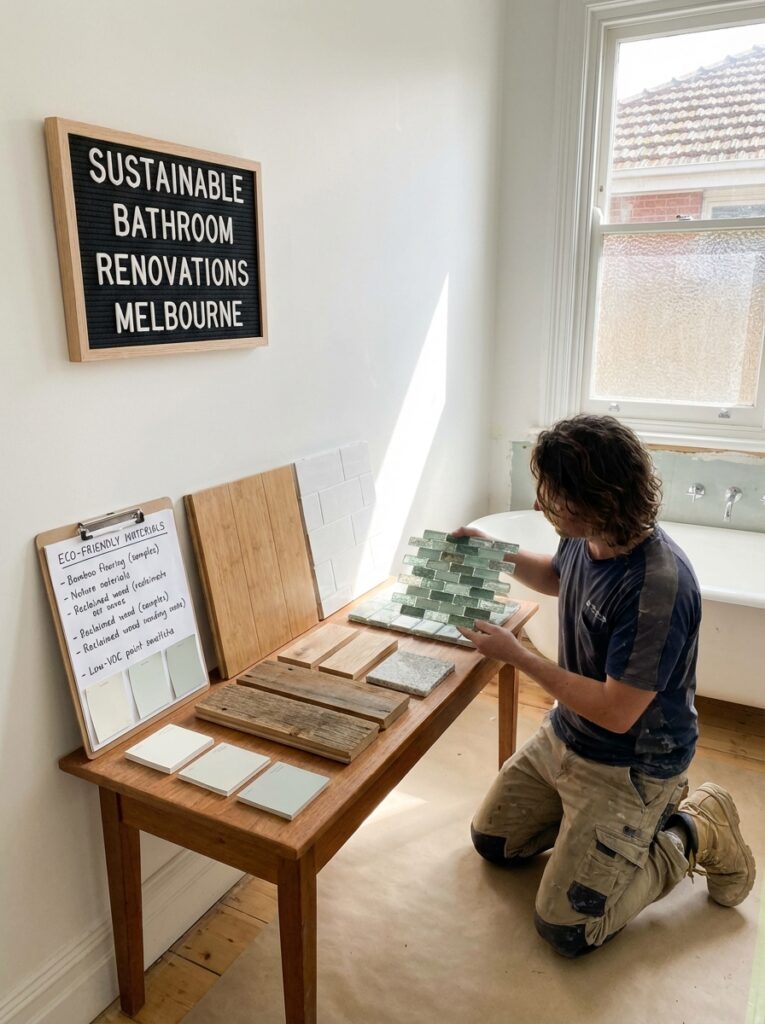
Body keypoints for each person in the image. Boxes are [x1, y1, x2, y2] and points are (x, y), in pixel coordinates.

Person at [454, 414, 756, 958]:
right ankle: (598, 834)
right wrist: (490, 549)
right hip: (565, 736)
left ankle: (697, 828)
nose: (541, 508)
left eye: (553, 498)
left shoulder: (657, 587)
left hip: (631, 764)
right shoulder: (591, 536)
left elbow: (618, 712)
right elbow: (556, 576)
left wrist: (517, 653)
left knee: (567, 929)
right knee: (493, 843)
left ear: (600, 501)